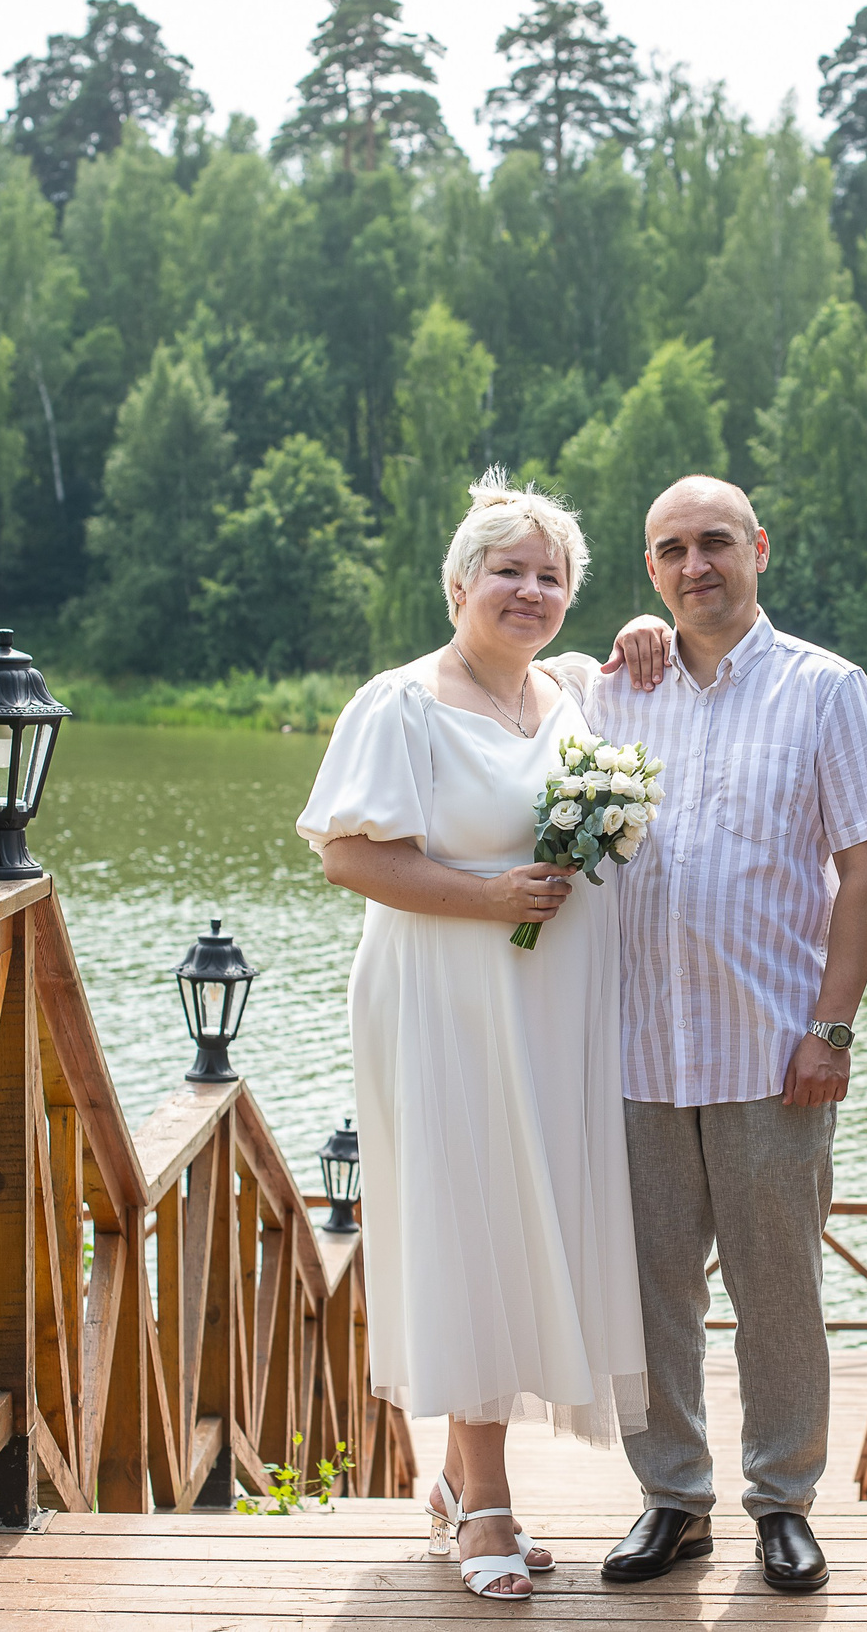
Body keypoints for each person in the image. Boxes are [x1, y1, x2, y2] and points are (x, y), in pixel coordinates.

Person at [294, 473, 648, 1603]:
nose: (530, 590)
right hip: (444, 999)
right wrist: (491, 897)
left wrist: (642, 630)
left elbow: (628, 665)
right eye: (508, 571)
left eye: (552, 576)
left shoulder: (570, 693)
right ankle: (485, 1498)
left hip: (551, 1010)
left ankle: (457, 1480)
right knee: (466, 1219)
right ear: (458, 584)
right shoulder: (401, 703)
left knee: (522, 1219)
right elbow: (347, 855)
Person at [563, 474, 867, 1596]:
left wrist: (832, 1029)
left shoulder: (826, 688)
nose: (694, 565)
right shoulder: (613, 691)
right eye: (670, 550)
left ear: (758, 548)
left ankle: (783, 1502)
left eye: (714, 542)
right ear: (649, 568)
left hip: (772, 1053)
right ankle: (673, 1498)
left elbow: (865, 869)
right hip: (634, 1052)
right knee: (650, 1291)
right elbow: (511, 688)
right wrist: (631, 634)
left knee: (779, 1291)